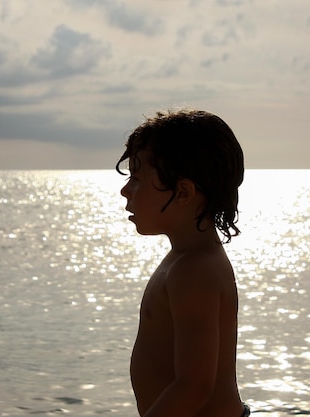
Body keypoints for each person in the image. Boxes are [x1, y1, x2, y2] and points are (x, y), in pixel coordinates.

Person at [116, 109, 249, 417]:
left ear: (184, 192)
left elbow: (194, 385)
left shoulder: (195, 270)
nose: (125, 191)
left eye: (136, 179)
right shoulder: (185, 259)